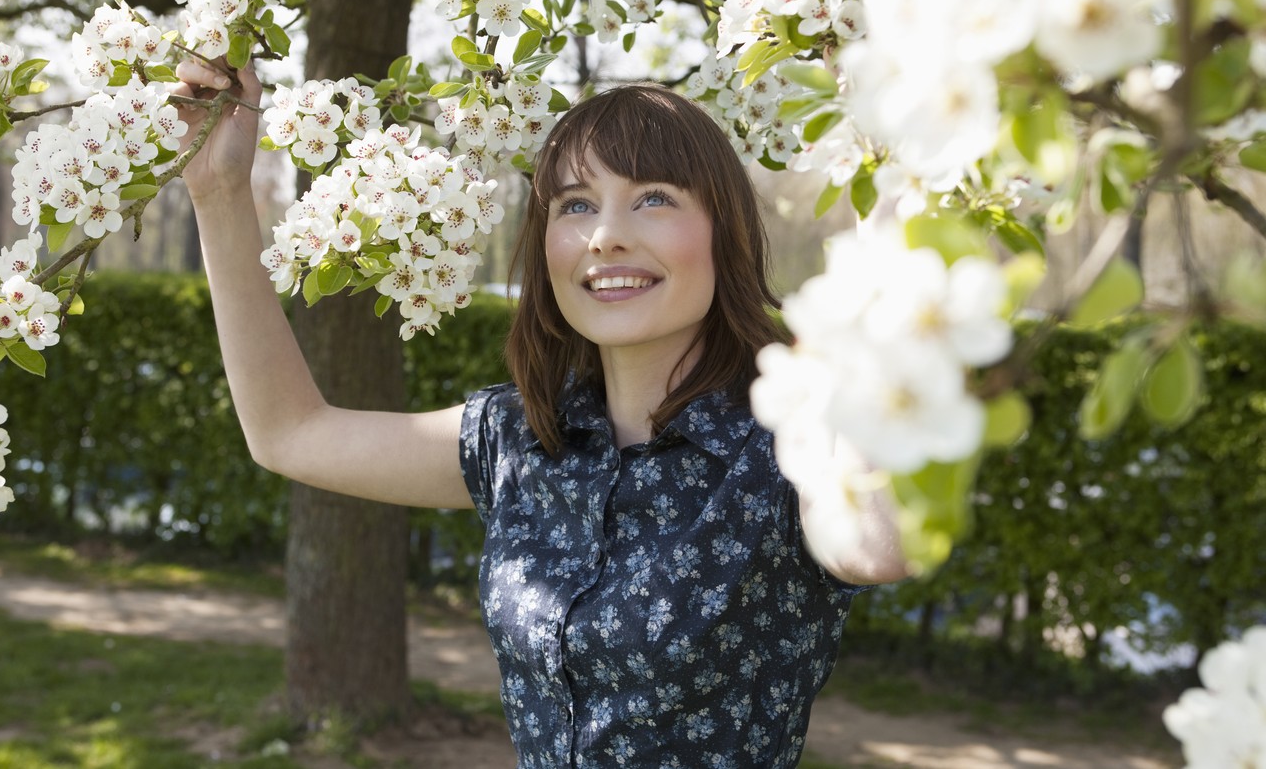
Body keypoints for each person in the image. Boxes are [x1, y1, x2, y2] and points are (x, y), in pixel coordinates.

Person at [175, 60, 909, 768]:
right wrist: (218, 192)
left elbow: (876, 547)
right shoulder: (522, 439)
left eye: (654, 197)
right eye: (576, 204)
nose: (605, 234)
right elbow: (290, 433)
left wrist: (895, 188)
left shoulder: (790, 433)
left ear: (726, 234)